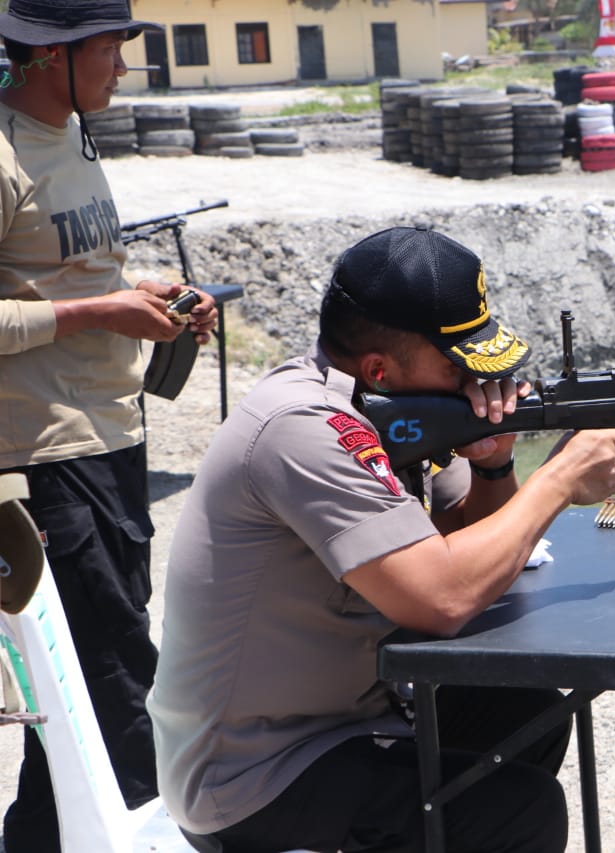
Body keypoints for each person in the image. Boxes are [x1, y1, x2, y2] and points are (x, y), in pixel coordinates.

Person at [148, 225, 615, 852]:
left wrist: (494, 464)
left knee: (526, 710)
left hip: (343, 721)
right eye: (455, 360)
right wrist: (560, 478)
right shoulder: (309, 427)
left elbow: (473, 551)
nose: (470, 377)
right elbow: (443, 600)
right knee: (518, 810)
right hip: (253, 775)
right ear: (380, 366)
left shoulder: (392, 404)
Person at [0, 0, 219, 849]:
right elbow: (70, 302)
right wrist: (101, 311)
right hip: (43, 456)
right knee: (124, 678)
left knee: (79, 687)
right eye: (110, 50)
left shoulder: (75, 137)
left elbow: (72, 272)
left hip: (115, 438)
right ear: (54, 57)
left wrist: (151, 295)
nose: (124, 68)